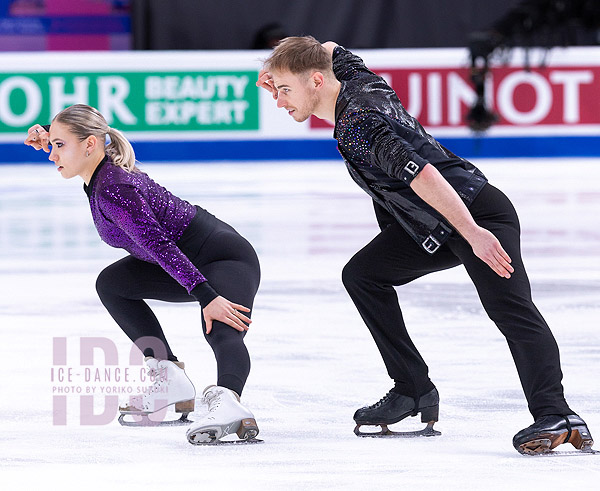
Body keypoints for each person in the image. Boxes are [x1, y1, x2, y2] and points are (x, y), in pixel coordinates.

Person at [256, 36, 594, 454]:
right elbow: (329, 46)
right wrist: (278, 67)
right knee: (363, 276)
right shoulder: (357, 82)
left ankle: (555, 412)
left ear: (317, 82)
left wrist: (473, 233)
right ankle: (412, 388)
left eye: (285, 90)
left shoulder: (359, 122)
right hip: (432, 225)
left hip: (476, 213)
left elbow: (426, 176)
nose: (278, 101)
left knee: (509, 308)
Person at [25, 104, 260, 445]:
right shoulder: (100, 172)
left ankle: (229, 402)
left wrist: (207, 297)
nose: (51, 155)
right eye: (53, 144)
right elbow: (159, 251)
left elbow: (160, 245)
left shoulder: (114, 186)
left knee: (221, 331)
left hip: (224, 259)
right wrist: (53, 132)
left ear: (90, 145)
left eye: (59, 146)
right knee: (112, 284)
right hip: (180, 262)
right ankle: (169, 379)